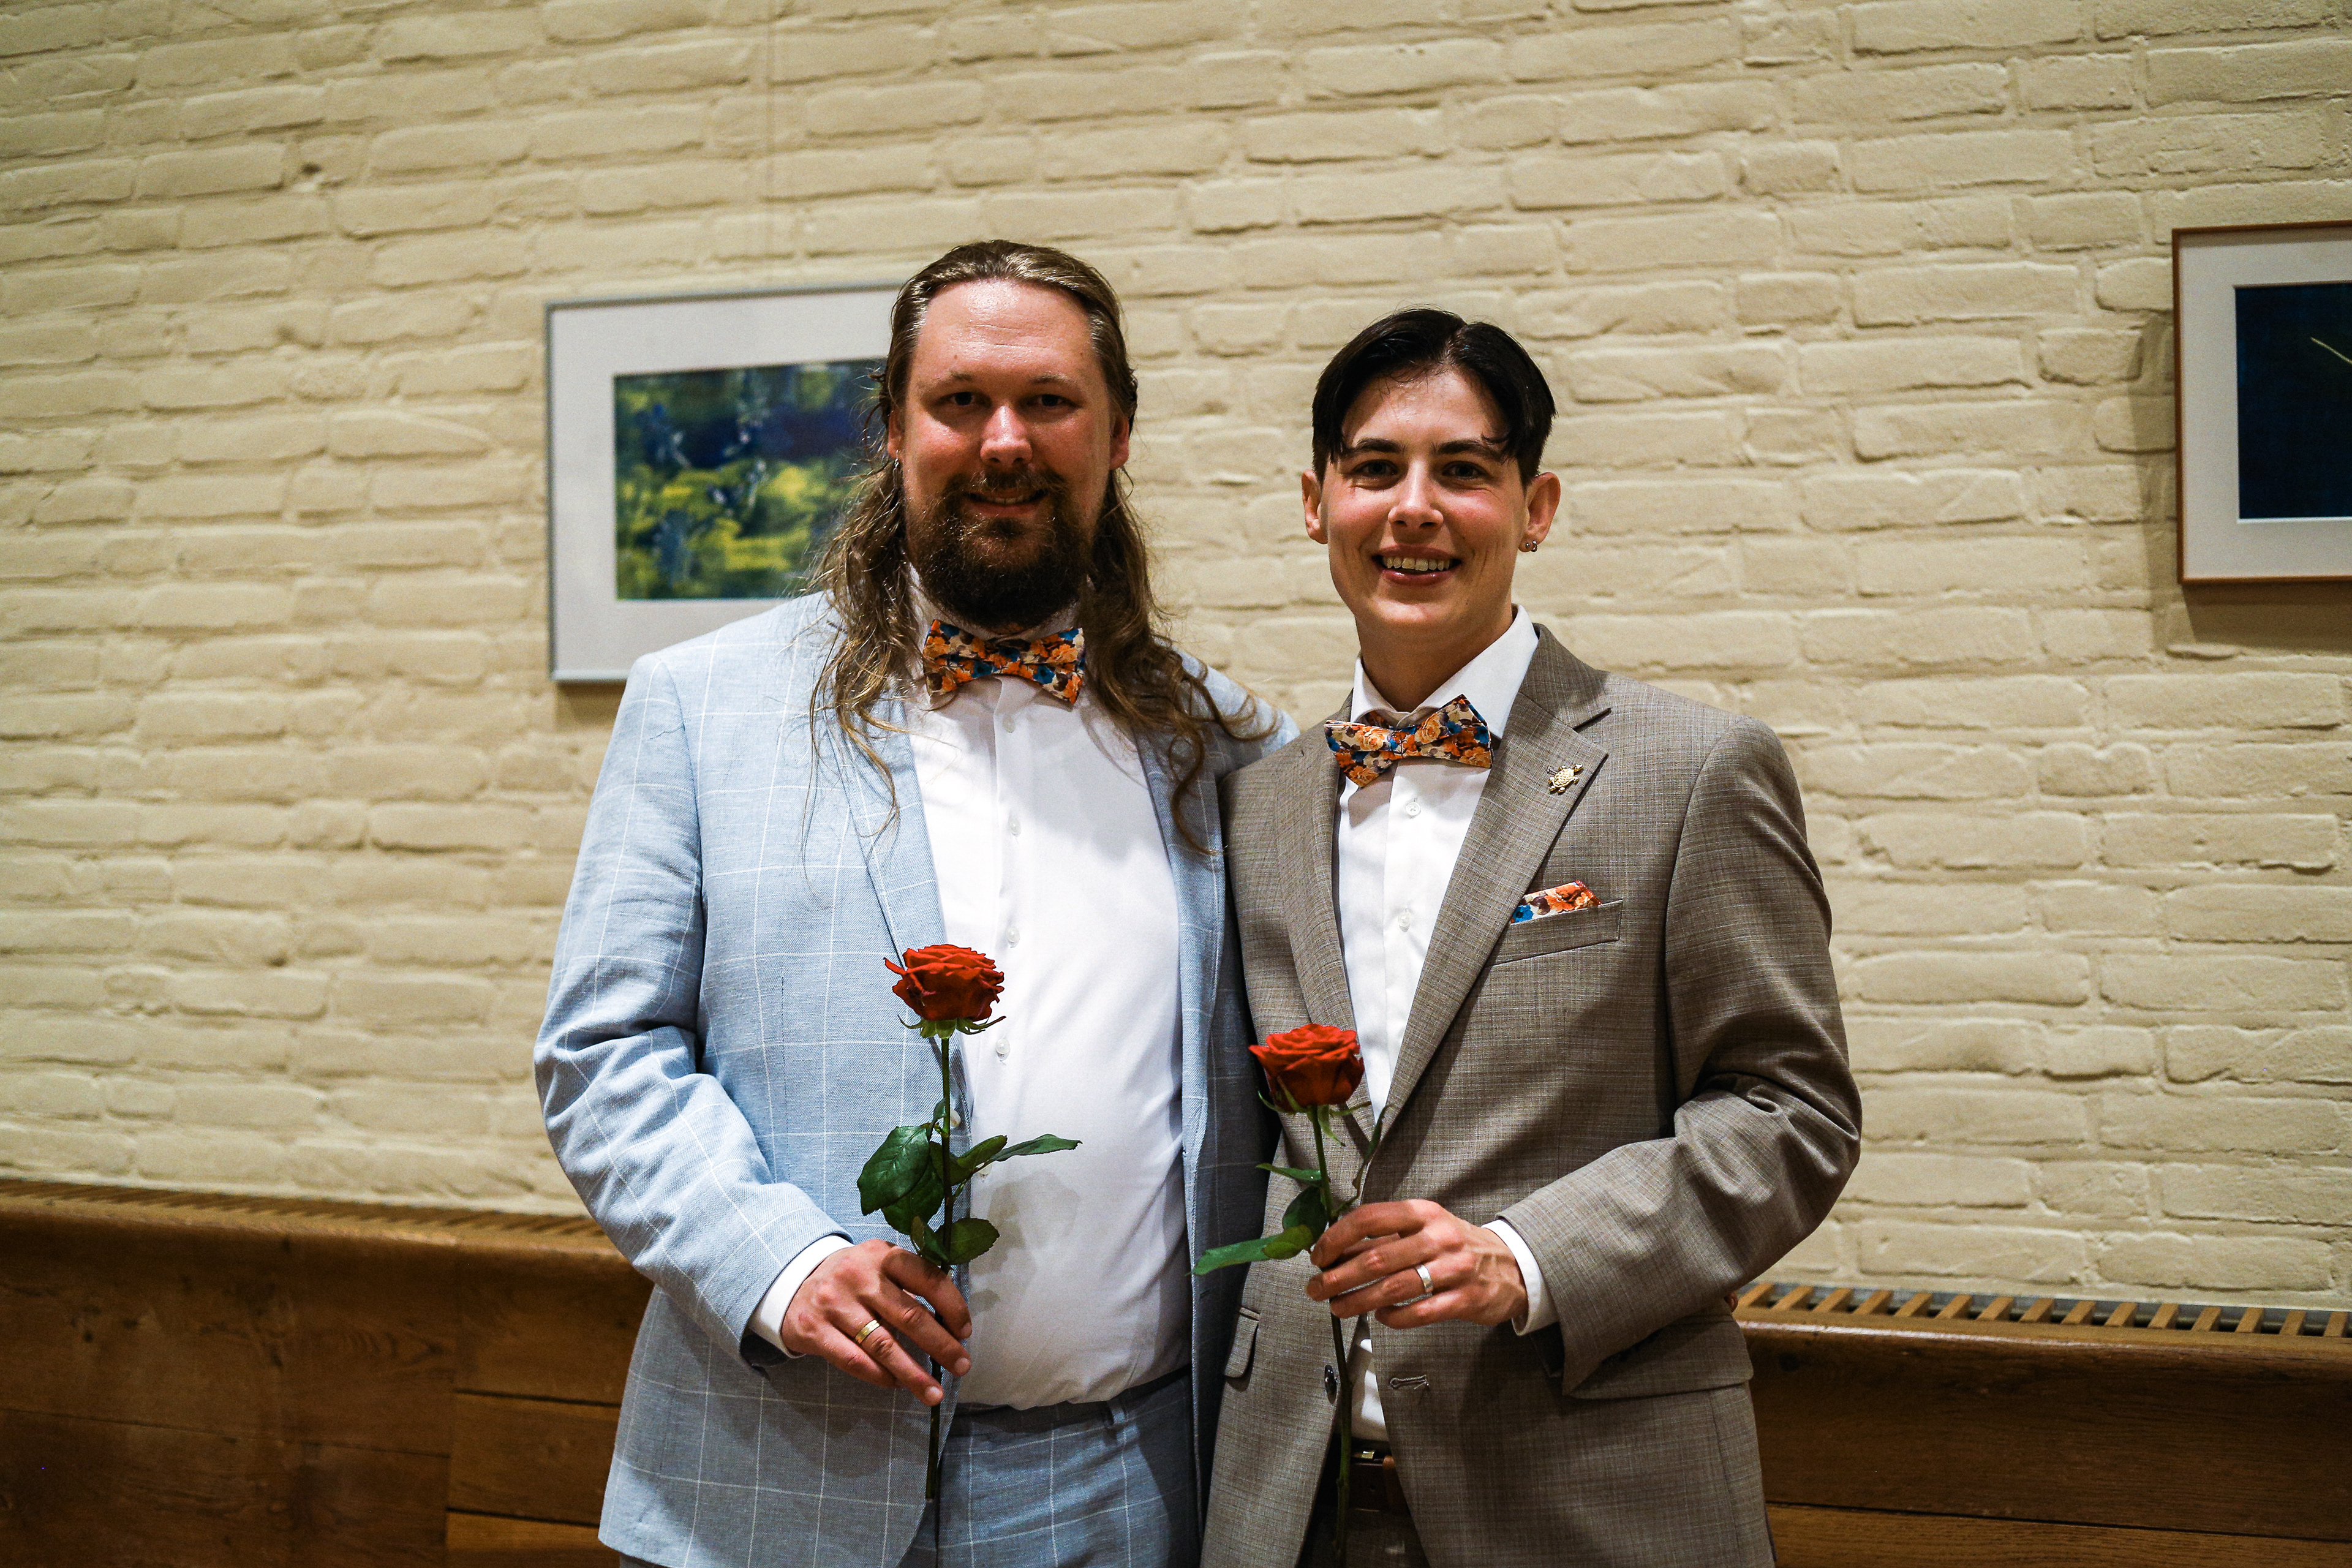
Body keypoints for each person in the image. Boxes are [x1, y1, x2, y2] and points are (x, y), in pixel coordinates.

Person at [537, 240, 1291, 1568]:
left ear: (1118, 434)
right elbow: (603, 1052)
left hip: (1129, 1490)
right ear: (892, 427)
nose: (1004, 441)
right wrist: (777, 1263)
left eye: (1049, 401)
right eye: (959, 402)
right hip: (777, 1472)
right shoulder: (699, 708)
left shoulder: (1222, 740)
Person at [1200, 309, 1860, 1567]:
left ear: (1536, 506)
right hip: (1289, 1497)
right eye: (1375, 468)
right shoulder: (1256, 805)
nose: (1414, 508)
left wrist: (1525, 1255)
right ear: (1316, 502)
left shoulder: (1691, 770)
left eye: (1463, 469)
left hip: (1587, 1485)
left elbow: (1792, 1111)